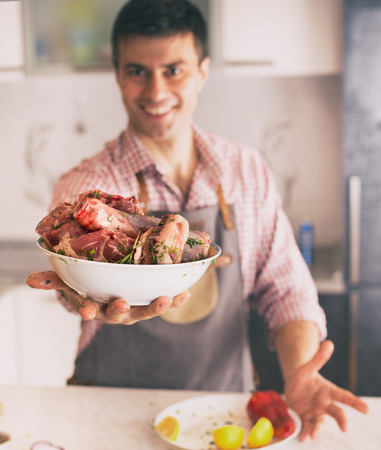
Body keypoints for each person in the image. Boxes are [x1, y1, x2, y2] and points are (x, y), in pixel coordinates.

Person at [27, 0, 368, 442]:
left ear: (203, 70)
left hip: (220, 413)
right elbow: (72, 291)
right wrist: (79, 294)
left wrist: (300, 370)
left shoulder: (246, 171)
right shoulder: (91, 183)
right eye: (137, 71)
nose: (155, 90)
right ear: (117, 75)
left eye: (174, 70)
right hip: (108, 414)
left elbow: (285, 288)